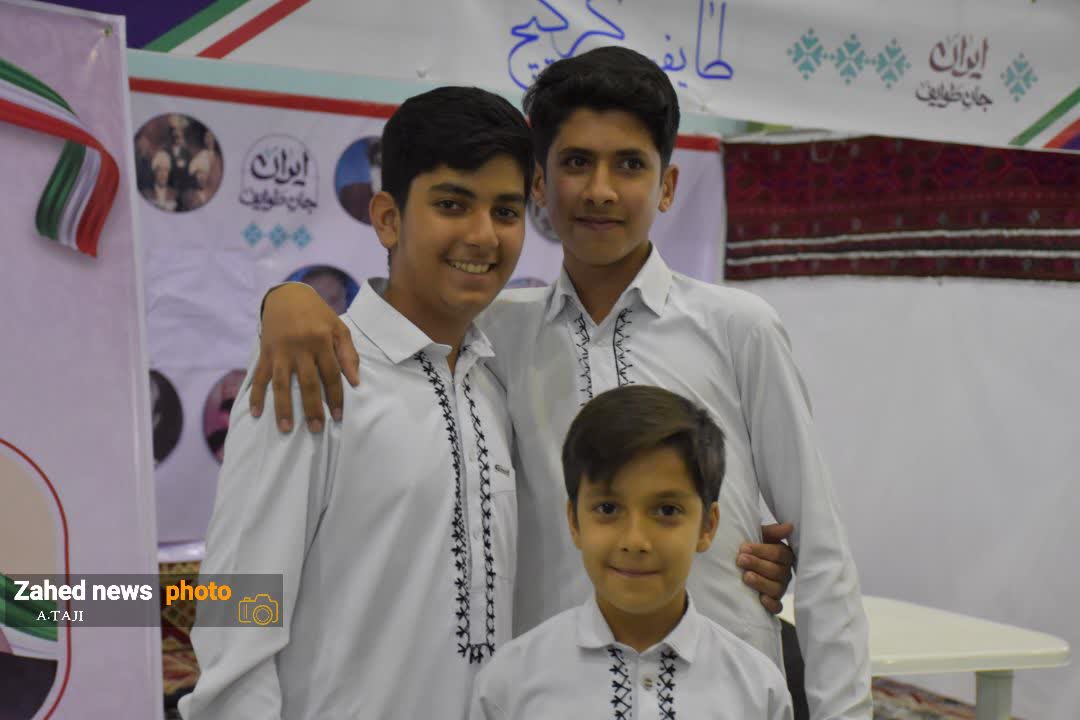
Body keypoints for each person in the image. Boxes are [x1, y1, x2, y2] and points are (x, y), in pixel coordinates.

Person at [252, 46, 870, 719]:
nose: (601, 190)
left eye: (629, 164)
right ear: (541, 187)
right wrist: (285, 300)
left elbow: (823, 552)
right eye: (576, 163)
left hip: (727, 698)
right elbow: (230, 593)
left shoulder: (737, 329)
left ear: (667, 186)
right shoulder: (489, 340)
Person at [179, 86, 532, 720]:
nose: (483, 235)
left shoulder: (495, 380)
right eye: (452, 204)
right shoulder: (313, 369)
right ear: (388, 219)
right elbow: (239, 608)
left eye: (506, 211)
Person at [470, 385, 792, 719]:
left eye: (666, 511)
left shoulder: (757, 691)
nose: (635, 540)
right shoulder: (509, 686)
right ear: (575, 521)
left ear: (707, 526)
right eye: (608, 508)